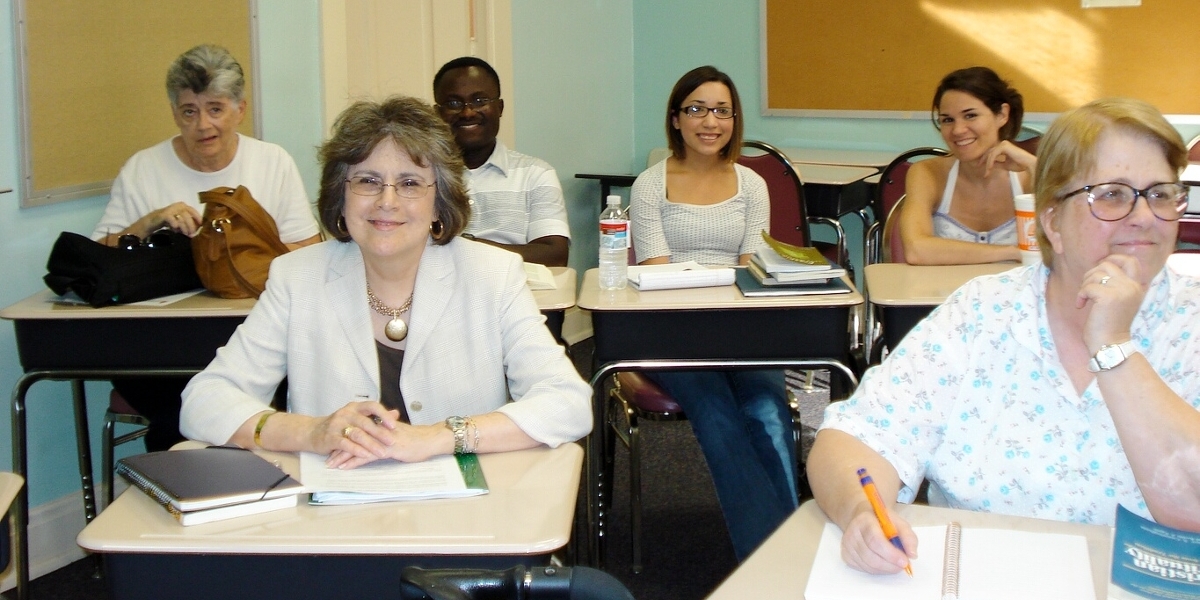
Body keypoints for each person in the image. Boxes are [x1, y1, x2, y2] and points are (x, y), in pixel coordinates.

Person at [807, 97, 1200, 575]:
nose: (1144, 216)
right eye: (1113, 195)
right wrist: (863, 513)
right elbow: (856, 437)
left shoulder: (1190, 319)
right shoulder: (983, 313)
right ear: (1051, 221)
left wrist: (1114, 346)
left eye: (1161, 193)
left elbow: (1191, 511)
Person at [180, 95, 592, 467]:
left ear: (439, 203)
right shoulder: (297, 277)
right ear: (340, 196)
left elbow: (568, 403)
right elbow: (203, 401)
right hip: (334, 515)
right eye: (367, 181)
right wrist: (313, 432)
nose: (387, 201)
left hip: (462, 515)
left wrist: (436, 437)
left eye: (410, 183)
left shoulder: (493, 275)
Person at [92, 44, 321, 451]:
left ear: (240, 109)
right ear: (174, 113)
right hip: (159, 345)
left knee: (276, 389)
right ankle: (183, 493)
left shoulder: (272, 162)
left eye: (215, 109)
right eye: (189, 111)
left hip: (250, 332)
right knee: (180, 412)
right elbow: (99, 258)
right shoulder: (144, 168)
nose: (202, 125)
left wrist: (239, 243)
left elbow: (308, 248)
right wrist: (152, 220)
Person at [629, 65, 796, 561]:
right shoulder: (650, 184)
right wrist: (723, 279)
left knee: (768, 412)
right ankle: (773, 560)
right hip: (672, 328)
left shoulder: (751, 184)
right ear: (676, 119)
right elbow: (659, 274)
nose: (711, 121)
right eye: (697, 109)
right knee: (718, 414)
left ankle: (786, 542)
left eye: (722, 110)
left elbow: (752, 266)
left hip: (741, 327)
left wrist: (733, 287)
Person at [431, 56, 570, 267]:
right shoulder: (420, 176)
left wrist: (469, 248)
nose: (467, 112)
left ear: (500, 108)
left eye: (479, 101)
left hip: (517, 295)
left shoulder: (536, 174)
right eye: (453, 103)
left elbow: (554, 255)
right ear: (437, 113)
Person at [898, 66, 1037, 265]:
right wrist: (1013, 252)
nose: (958, 130)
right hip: (943, 294)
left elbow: (1069, 243)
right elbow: (916, 250)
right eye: (947, 120)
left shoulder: (1031, 176)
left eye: (970, 115)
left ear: (1002, 115)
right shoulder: (927, 173)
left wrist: (1034, 165)